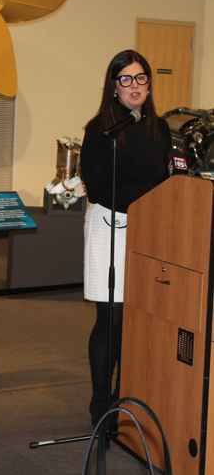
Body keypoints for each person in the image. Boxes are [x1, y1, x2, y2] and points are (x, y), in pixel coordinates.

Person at [80, 49, 171, 427]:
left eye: (141, 78)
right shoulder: (100, 129)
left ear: (149, 84)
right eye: (127, 79)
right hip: (109, 227)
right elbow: (98, 186)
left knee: (137, 318)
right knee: (112, 317)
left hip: (148, 231)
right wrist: (142, 204)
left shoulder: (159, 127)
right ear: (114, 87)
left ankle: (124, 393)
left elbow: (166, 181)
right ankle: (100, 400)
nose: (135, 86)